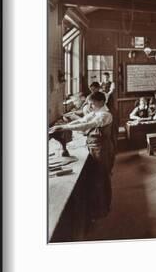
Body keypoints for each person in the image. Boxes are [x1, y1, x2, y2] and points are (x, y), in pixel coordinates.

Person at [49, 91, 114, 220]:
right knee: (97, 179)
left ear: (100, 102)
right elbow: (85, 119)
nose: (90, 106)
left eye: (92, 103)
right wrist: (63, 125)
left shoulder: (105, 115)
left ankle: (103, 209)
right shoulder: (97, 112)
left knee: (101, 179)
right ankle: (99, 207)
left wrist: (64, 128)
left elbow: (87, 125)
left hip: (102, 149)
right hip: (95, 147)